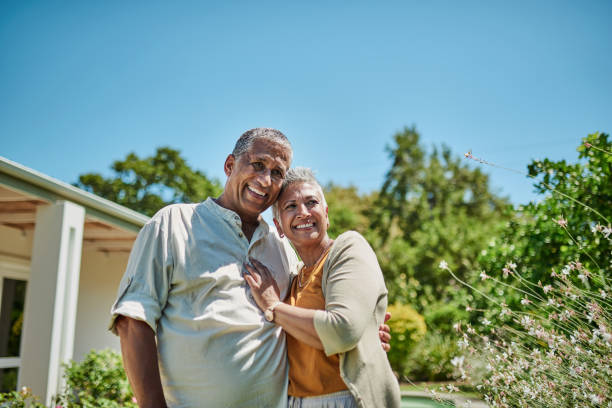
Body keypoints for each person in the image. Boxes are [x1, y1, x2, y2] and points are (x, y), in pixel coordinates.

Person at [109, 129, 391, 408]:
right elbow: (133, 322)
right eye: (257, 165)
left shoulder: (281, 247)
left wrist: (363, 337)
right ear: (230, 165)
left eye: (278, 173)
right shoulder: (173, 224)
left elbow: (309, 317)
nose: (265, 180)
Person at [244, 167, 401, 408]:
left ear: (326, 214)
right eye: (291, 207)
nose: (303, 213)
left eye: (311, 202)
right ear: (279, 226)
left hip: (349, 399)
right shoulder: (294, 276)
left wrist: (273, 307)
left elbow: (342, 330)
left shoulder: (348, 248)